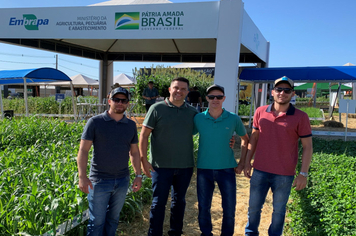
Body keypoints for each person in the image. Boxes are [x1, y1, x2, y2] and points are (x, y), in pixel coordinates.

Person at [244, 76, 313, 236]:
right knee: (253, 208)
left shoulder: (301, 117)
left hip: (284, 174)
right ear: (272, 92)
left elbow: (307, 147)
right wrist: (247, 161)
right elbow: (254, 138)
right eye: (279, 89)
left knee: (279, 211)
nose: (282, 93)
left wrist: (303, 174)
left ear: (293, 94)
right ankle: (250, 233)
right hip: (260, 170)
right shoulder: (260, 111)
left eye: (287, 90)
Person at [77, 87, 142, 236]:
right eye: (116, 100)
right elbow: (83, 150)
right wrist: (82, 176)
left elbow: (134, 152)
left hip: (122, 180)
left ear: (127, 103)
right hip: (99, 181)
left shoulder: (131, 125)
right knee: (97, 221)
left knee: (113, 219)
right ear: (109, 101)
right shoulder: (95, 122)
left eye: (123, 100)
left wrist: (138, 175)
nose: (120, 103)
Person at [139, 77, 197, 236]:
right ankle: (154, 233)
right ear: (170, 90)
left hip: (185, 165)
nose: (180, 91)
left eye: (184, 89)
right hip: (160, 166)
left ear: (187, 92)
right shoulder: (157, 109)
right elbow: (143, 136)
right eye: (176, 88)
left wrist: (230, 139)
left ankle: (175, 232)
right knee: (158, 203)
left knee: (179, 202)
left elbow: (208, 130)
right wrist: (144, 160)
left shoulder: (193, 112)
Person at [194, 84, 249, 236]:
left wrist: (243, 162)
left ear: (224, 98)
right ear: (207, 99)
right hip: (204, 169)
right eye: (212, 97)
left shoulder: (233, 118)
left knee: (229, 208)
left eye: (219, 97)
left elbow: (245, 139)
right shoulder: (198, 118)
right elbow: (185, 135)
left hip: (227, 169)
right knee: (204, 207)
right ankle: (206, 233)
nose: (215, 100)